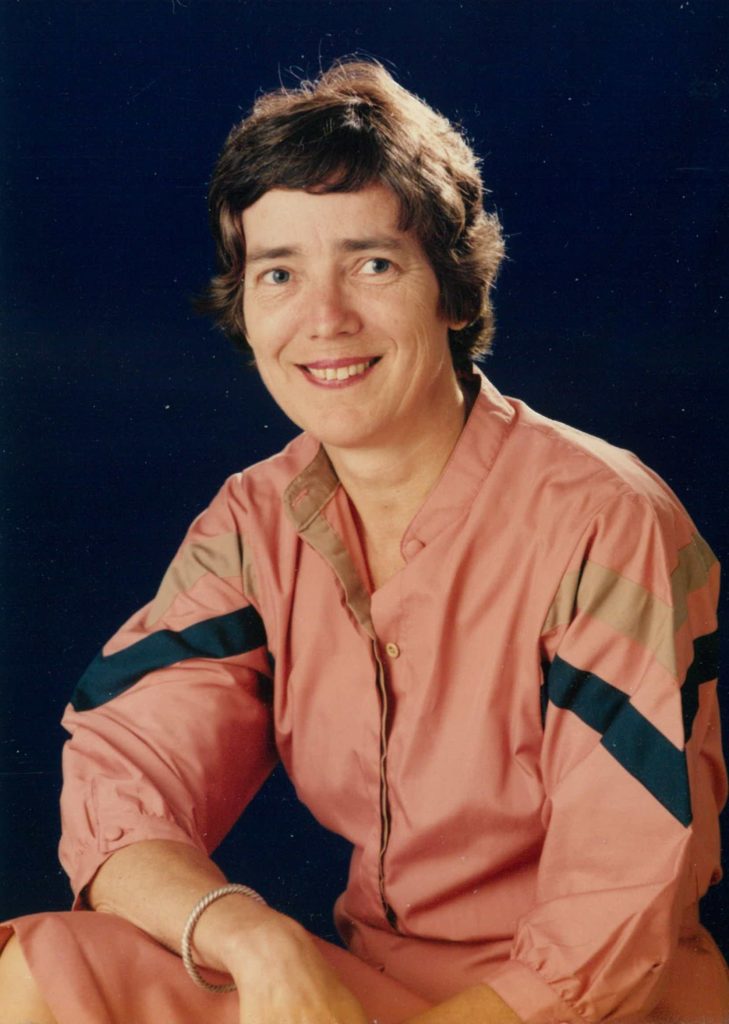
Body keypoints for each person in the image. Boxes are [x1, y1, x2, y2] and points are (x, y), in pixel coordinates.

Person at [0, 58, 727, 1024]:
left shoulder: (604, 519)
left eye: (372, 264)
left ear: (455, 293)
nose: (324, 319)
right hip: (361, 992)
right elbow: (120, 785)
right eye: (279, 274)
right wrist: (248, 938)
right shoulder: (256, 520)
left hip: (582, 1006)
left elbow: (613, 919)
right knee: (42, 974)